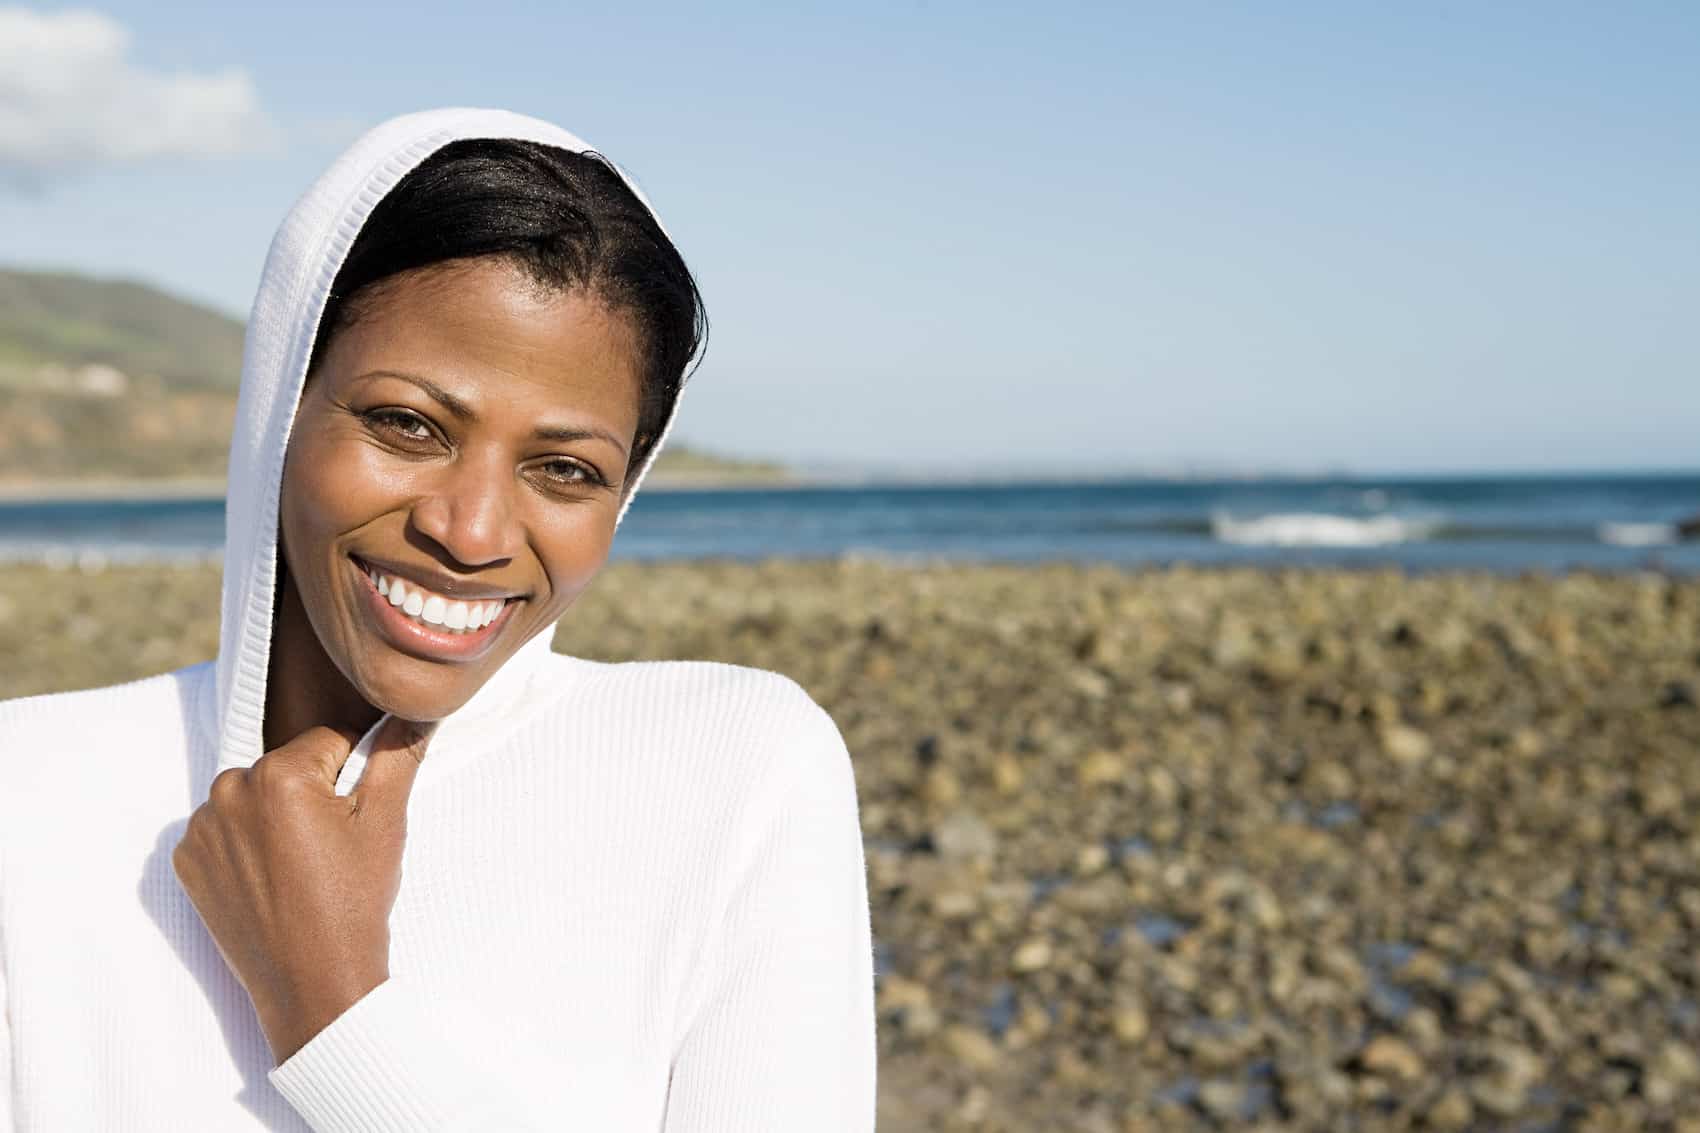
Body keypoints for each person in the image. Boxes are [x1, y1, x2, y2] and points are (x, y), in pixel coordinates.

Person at [0, 109, 876, 1131]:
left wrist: (333, 1013)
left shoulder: (737, 770)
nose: (470, 532)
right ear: (281, 403)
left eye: (564, 469)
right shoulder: (29, 793)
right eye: (407, 424)